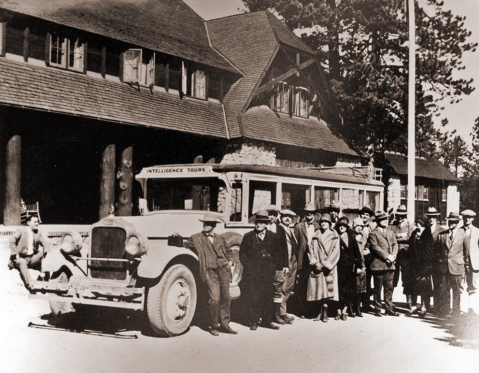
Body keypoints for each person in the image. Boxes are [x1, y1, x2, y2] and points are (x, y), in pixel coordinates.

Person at [185, 213, 237, 336]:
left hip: (223, 269)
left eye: (208, 224)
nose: (205, 226)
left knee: (226, 297)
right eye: (204, 223)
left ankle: (225, 325)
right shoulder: (196, 238)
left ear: (213, 226)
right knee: (214, 298)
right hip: (209, 271)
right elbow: (186, 245)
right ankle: (214, 326)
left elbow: (229, 251)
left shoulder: (220, 238)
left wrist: (230, 262)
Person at [240, 210, 288, 330]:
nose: (258, 225)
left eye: (261, 223)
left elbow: (279, 252)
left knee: (268, 295)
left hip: (268, 271)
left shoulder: (273, 236)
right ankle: (254, 320)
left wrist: (276, 266)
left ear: (266, 224)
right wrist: (248, 266)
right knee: (254, 295)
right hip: (253, 272)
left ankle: (267, 320)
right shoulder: (248, 236)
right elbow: (242, 254)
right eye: (257, 222)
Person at [434, 212, 470, 318]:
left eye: (453, 222)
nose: (451, 223)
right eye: (449, 221)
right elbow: (436, 251)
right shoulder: (442, 235)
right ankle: (444, 312)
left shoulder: (463, 235)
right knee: (444, 290)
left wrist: (462, 264)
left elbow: (466, 252)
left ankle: (455, 313)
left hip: (457, 267)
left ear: (457, 223)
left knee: (456, 291)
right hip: (443, 267)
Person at [307, 213, 340, 322]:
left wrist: (327, 264)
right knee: (318, 290)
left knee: (328, 290)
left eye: (326, 222)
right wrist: (315, 262)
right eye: (322, 222)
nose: (324, 224)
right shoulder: (316, 235)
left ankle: (325, 312)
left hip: (328, 267)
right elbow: (310, 250)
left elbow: (336, 251)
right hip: (318, 266)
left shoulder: (334, 235)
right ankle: (319, 312)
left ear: (330, 224)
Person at [368, 211, 399, 317]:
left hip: (390, 265)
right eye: (383, 219)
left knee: (389, 287)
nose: (386, 221)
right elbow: (375, 247)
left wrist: (393, 255)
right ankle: (377, 308)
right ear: (378, 221)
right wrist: (387, 256)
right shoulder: (373, 233)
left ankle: (389, 308)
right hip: (379, 265)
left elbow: (395, 244)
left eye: (387, 219)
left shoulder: (390, 232)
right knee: (378, 288)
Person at [8, 215, 50, 293]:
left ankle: (43, 276)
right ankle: (30, 284)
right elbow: (11, 240)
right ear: (28, 223)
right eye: (35, 222)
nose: (37, 223)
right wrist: (14, 254)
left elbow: (45, 244)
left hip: (32, 258)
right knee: (22, 262)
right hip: (21, 258)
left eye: (37, 222)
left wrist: (46, 254)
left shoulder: (38, 233)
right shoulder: (21, 230)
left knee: (45, 252)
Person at [335, 217, 363, 320]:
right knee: (338, 289)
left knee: (348, 289)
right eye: (340, 226)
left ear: (347, 227)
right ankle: (338, 310)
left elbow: (357, 253)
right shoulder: (335, 237)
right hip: (338, 267)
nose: (342, 227)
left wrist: (359, 265)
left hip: (349, 268)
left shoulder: (351, 238)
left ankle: (344, 311)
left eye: (344, 226)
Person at [274, 209, 298, 325]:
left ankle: (283, 311)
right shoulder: (279, 229)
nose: (287, 219)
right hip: (285, 261)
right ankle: (279, 314)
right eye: (285, 216)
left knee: (289, 286)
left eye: (289, 217)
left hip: (293, 260)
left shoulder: (290, 229)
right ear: (281, 217)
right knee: (282, 287)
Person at [388, 205, 414, 311]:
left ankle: (409, 302)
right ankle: (389, 301)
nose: (400, 218)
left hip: (406, 255)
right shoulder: (392, 225)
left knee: (406, 278)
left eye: (402, 216)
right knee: (393, 277)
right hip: (394, 255)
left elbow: (411, 238)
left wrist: (398, 237)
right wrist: (402, 237)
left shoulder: (410, 225)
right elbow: (390, 237)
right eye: (399, 216)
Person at [293, 203, 317, 317]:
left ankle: (312, 310)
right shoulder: (299, 227)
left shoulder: (317, 226)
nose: (310, 216)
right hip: (303, 259)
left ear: (315, 215)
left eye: (312, 213)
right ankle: (302, 310)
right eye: (308, 213)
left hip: (315, 258)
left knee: (314, 285)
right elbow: (296, 244)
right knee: (302, 285)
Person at [409, 215, 434, 317]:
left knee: (424, 286)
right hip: (414, 264)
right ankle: (414, 306)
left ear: (423, 224)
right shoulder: (415, 233)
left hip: (424, 265)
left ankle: (424, 307)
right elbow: (411, 245)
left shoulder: (428, 235)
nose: (416, 225)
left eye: (418, 224)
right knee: (414, 285)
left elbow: (429, 252)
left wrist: (426, 265)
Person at [425, 206, 444, 314]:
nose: (431, 219)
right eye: (429, 217)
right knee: (426, 284)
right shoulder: (424, 229)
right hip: (427, 262)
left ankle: (437, 307)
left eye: (433, 217)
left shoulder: (441, 230)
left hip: (437, 262)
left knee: (437, 284)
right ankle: (426, 306)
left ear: (436, 218)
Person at [359, 204, 375, 312]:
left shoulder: (371, 227)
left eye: (367, 215)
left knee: (368, 279)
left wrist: (369, 250)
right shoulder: (356, 225)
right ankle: (357, 303)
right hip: (359, 255)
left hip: (369, 256)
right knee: (359, 279)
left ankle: (366, 303)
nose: (365, 216)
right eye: (363, 214)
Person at [460, 210, 479, 301]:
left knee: (472, 286)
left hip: (473, 263)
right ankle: (461, 309)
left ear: (473, 219)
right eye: (465, 217)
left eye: (469, 217)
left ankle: (470, 309)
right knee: (460, 285)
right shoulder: (459, 231)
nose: (467, 219)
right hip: (461, 262)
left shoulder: (477, 231)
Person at [352, 217, 367, 316]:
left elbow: (366, 245)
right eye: (358, 226)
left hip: (362, 263)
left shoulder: (363, 235)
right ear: (354, 226)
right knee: (353, 286)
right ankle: (351, 308)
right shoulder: (350, 235)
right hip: (353, 263)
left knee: (361, 287)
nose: (360, 228)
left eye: (362, 226)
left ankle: (358, 308)